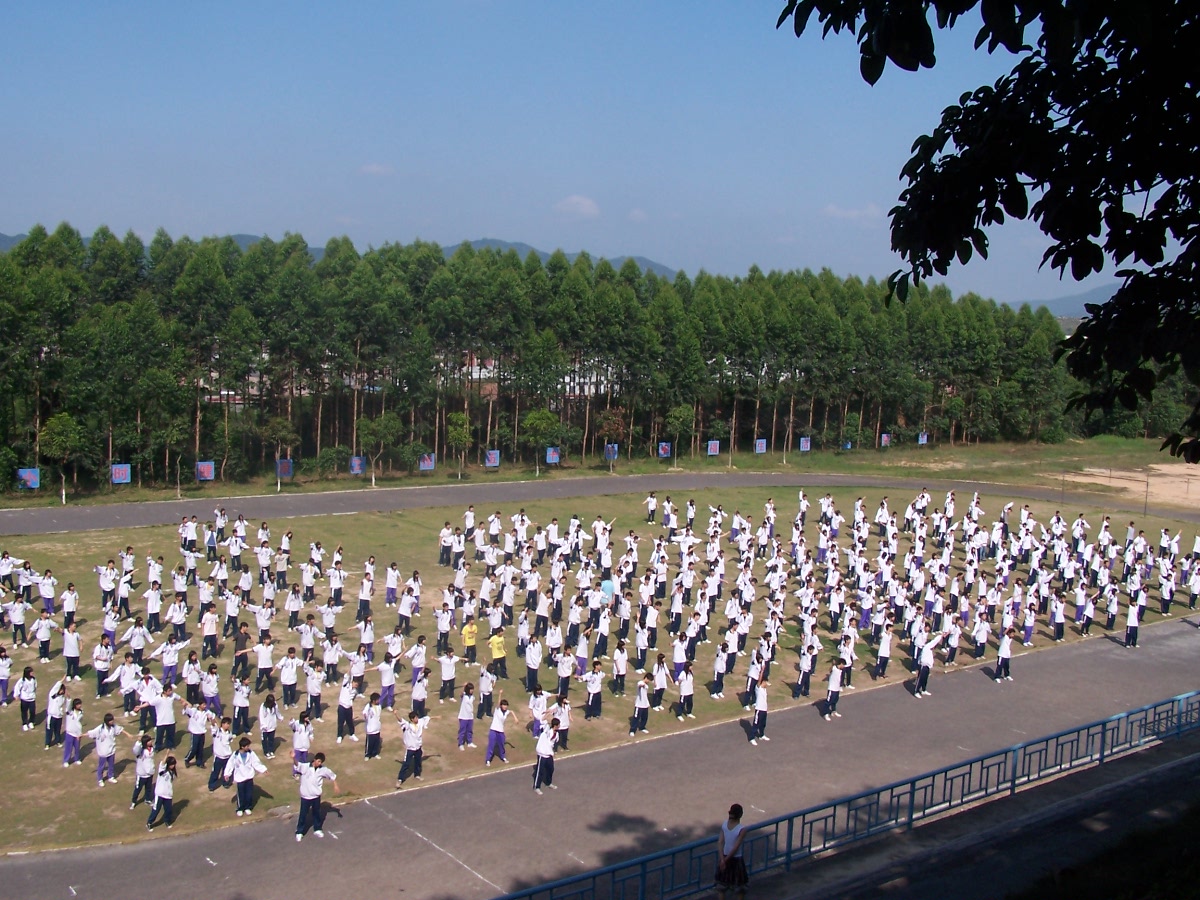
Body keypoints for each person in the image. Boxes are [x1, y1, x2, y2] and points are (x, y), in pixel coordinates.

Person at [295, 752, 339, 841]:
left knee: (317, 813)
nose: (319, 763)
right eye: (318, 761)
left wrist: (335, 785)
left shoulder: (323, 770)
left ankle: (317, 829)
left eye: (320, 762)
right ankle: (299, 832)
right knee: (303, 814)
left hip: (315, 796)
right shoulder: (306, 767)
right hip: (306, 796)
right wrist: (293, 758)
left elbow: (332, 776)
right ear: (314, 759)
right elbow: (297, 764)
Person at [223, 736, 268, 816]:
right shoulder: (235, 755)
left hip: (249, 776)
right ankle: (240, 808)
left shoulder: (251, 753)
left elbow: (256, 762)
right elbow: (230, 764)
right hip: (240, 778)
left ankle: (248, 807)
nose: (248, 747)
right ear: (242, 746)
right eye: (247, 746)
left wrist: (263, 769)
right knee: (241, 794)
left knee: (249, 793)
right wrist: (227, 774)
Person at [714, 803, 749, 900]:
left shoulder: (724, 824)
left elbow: (720, 842)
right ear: (740, 814)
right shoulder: (741, 829)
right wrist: (726, 860)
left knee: (721, 887)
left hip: (724, 857)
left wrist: (722, 859)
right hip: (736, 860)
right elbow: (735, 848)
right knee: (740, 888)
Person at [396, 709, 431, 786]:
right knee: (406, 764)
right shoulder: (408, 725)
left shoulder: (420, 722)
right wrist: (396, 714)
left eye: (417, 717)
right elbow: (400, 720)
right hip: (410, 749)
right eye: (415, 718)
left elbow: (428, 718)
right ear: (412, 719)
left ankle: (417, 775)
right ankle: (400, 779)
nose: (417, 719)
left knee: (418, 762)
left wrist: (437, 717)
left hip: (418, 747)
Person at [145, 755, 178, 830]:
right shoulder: (162, 770)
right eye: (172, 764)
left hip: (168, 795)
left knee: (168, 810)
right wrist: (166, 754)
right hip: (160, 794)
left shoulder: (172, 773)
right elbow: (162, 763)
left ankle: (167, 821)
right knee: (156, 809)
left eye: (174, 764)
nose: (173, 766)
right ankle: (149, 823)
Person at [532, 716, 560, 795]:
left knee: (551, 769)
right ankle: (536, 787)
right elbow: (542, 720)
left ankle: (548, 783)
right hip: (542, 754)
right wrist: (547, 714)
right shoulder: (547, 730)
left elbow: (553, 744)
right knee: (540, 771)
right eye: (558, 725)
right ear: (555, 725)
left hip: (549, 754)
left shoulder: (557, 734)